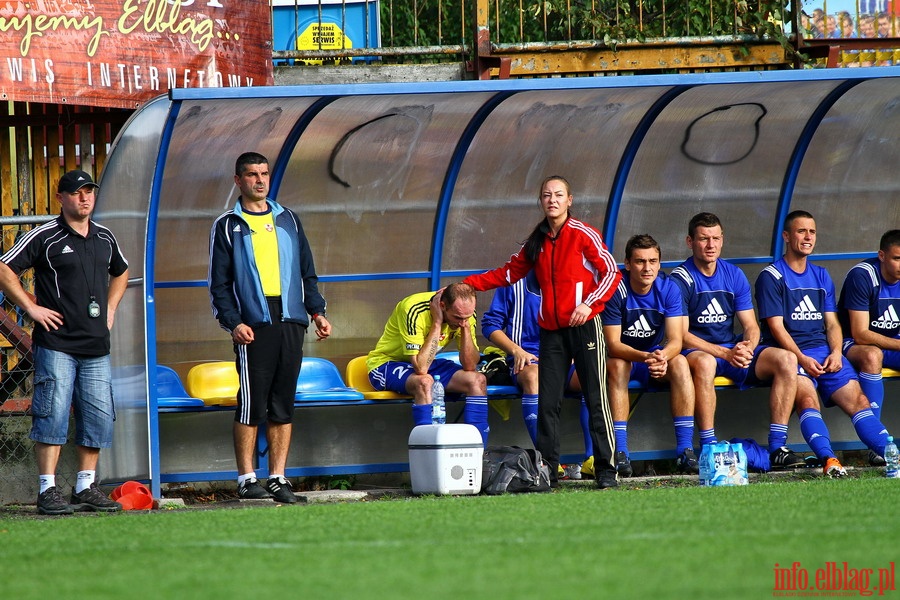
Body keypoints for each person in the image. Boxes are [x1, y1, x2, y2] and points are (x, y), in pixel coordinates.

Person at [463, 175, 622, 489]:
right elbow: (509, 272)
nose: (553, 200)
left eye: (559, 195)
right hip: (551, 332)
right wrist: (468, 284)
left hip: (586, 327)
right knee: (548, 402)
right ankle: (547, 470)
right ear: (541, 201)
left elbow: (611, 271)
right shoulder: (537, 239)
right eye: (547, 195)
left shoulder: (583, 233)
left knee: (596, 398)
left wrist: (589, 304)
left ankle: (606, 469)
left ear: (569, 200)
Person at [0, 169, 129, 515]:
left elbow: (122, 271)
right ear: (60, 198)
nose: (84, 198)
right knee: (52, 413)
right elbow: (4, 269)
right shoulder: (46, 236)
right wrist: (31, 308)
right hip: (56, 345)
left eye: (89, 191)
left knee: (99, 416)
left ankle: (86, 487)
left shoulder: (105, 237)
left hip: (96, 346)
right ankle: (47, 490)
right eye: (76, 193)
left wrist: (111, 309)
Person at [208, 152, 332, 503]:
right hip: (253, 323)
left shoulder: (288, 218)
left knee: (283, 403)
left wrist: (317, 312)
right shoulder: (227, 225)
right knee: (251, 404)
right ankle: (247, 478)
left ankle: (278, 477)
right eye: (251, 175)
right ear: (238, 180)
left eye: (264, 174)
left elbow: (308, 272)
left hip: (291, 318)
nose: (259, 180)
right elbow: (218, 284)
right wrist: (234, 323)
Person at [755, 210, 892, 478]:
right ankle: (829, 460)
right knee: (807, 400)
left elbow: (832, 324)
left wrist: (837, 353)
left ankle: (889, 453)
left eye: (812, 232)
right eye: (801, 231)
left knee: (859, 400)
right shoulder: (771, 276)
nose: (808, 237)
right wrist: (801, 358)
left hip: (825, 352)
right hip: (790, 354)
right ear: (786, 236)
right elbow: (775, 326)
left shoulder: (821, 275)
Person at [669, 213, 806, 471]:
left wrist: (747, 347)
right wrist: (725, 353)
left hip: (731, 351)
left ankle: (777, 447)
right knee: (707, 363)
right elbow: (681, 335)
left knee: (787, 359)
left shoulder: (733, 274)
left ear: (722, 240)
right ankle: (708, 446)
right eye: (703, 239)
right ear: (690, 242)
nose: (710, 245)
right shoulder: (680, 278)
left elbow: (751, 326)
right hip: (697, 352)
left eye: (715, 238)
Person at [480, 270, 595, 477]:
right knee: (533, 377)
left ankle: (591, 459)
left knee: (592, 377)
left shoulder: (573, 279)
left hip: (564, 358)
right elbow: (490, 324)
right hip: (527, 359)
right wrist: (516, 351)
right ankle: (547, 461)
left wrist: (572, 352)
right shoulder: (514, 283)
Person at [602, 234, 697, 477]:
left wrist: (662, 357)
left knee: (681, 363)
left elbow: (676, 339)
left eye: (653, 261)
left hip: (654, 358)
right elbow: (612, 344)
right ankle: (620, 452)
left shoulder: (668, 288)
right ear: (627, 263)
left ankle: (685, 451)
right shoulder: (615, 289)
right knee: (618, 366)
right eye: (640, 261)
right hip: (627, 357)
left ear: (659, 263)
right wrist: (647, 357)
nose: (647, 268)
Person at [366, 282, 489, 443]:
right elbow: (421, 367)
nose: (462, 321)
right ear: (442, 306)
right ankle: (428, 450)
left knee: (477, 380)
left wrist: (465, 328)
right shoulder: (412, 308)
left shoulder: (465, 315)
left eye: (467, 317)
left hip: (426, 362)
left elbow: (470, 365)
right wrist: (437, 323)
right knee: (425, 382)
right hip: (387, 364)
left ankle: (478, 451)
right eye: (458, 318)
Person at [837, 229, 900, 466]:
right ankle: (876, 446)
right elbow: (860, 333)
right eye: (897, 258)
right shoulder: (863, 275)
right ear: (882, 255)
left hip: (892, 342)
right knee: (872, 355)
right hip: (851, 343)